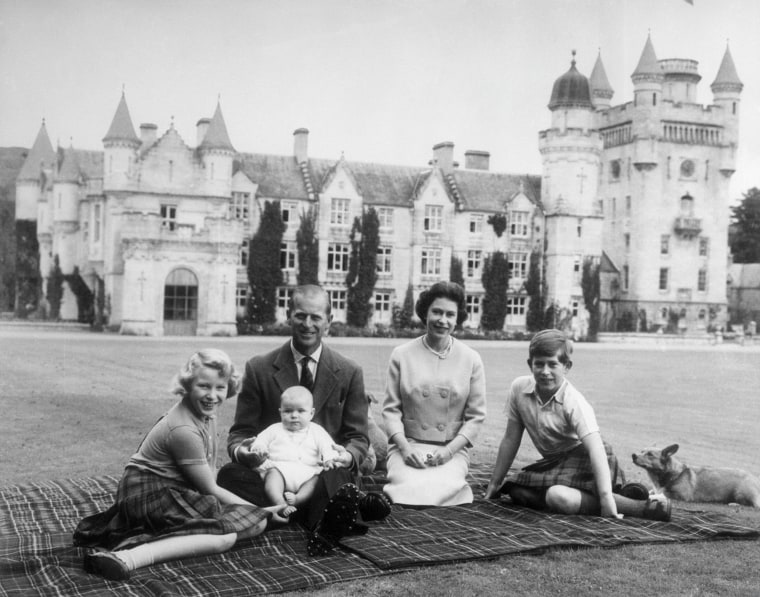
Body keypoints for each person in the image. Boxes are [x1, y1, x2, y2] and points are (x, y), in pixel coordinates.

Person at [73, 349, 284, 581]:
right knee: (227, 536)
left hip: (174, 492)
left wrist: (255, 513)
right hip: (146, 493)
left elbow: (210, 474)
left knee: (253, 524)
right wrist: (261, 510)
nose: (212, 395)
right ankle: (127, 557)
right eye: (204, 386)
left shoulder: (206, 414)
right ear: (187, 385)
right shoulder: (183, 430)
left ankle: (162, 537)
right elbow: (210, 489)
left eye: (220, 387)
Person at [217, 284, 391, 555]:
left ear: (329, 322)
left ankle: (297, 514)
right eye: (300, 315)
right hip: (272, 473)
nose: (307, 324)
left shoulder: (349, 371)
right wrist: (245, 452)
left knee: (341, 475)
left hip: (322, 473)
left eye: (316, 317)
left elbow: (358, 437)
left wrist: (347, 456)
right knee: (229, 475)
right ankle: (332, 514)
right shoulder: (259, 368)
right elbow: (240, 433)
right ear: (289, 316)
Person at [484, 329, 671, 521]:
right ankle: (623, 493)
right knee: (515, 490)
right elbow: (510, 439)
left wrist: (605, 498)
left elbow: (596, 449)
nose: (545, 371)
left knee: (557, 496)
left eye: (552, 364)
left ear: (566, 366)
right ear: (529, 364)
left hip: (588, 458)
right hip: (554, 463)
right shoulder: (519, 388)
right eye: (539, 364)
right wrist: (494, 483)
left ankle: (642, 506)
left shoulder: (574, 401)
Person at [382, 281, 486, 506]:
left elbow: (476, 417)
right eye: (437, 312)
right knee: (410, 489)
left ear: (457, 319)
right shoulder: (401, 355)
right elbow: (391, 411)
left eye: (450, 314)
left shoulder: (471, 359)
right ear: (425, 313)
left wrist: (450, 451)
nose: (442, 320)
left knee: (442, 490)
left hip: (450, 449)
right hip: (408, 445)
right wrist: (405, 448)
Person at [250, 386, 340, 517]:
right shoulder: (274, 429)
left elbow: (328, 446)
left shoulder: (317, 431)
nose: (294, 415)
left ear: (311, 413)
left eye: (301, 411)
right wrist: (259, 448)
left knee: (315, 481)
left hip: (307, 472)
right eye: (288, 411)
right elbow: (260, 440)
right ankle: (280, 504)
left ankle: (298, 499)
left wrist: (329, 458)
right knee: (272, 477)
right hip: (280, 469)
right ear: (280, 412)